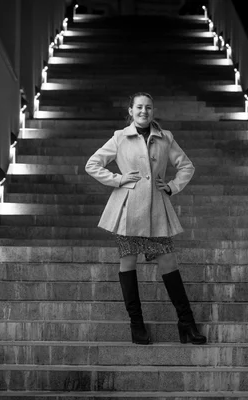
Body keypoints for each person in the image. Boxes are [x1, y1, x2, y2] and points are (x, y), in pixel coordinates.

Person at [85, 92, 207, 345]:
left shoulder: (166, 137)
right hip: (128, 210)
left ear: (153, 111)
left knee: (169, 263)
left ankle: (187, 322)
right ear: (130, 110)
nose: (144, 111)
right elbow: (93, 164)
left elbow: (187, 166)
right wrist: (118, 180)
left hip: (156, 210)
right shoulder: (120, 138)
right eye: (139, 107)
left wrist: (172, 186)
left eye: (148, 107)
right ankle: (136, 325)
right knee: (128, 263)